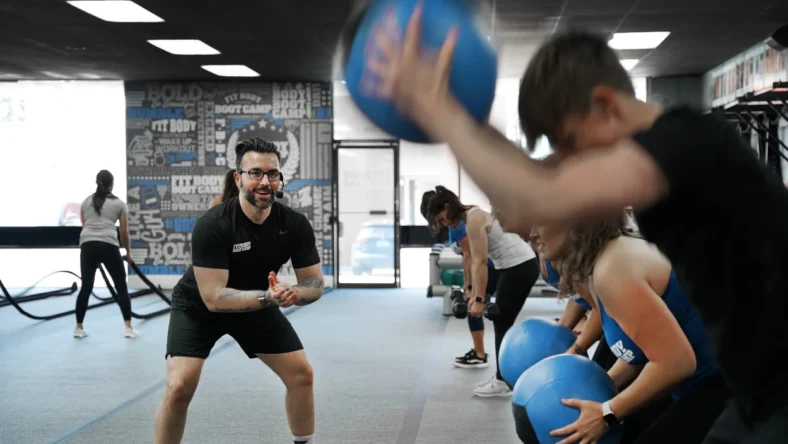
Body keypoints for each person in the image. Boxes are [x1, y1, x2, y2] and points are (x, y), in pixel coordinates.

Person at [365, 18, 788, 442]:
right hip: (750, 384)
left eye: (569, 141)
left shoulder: (683, 144)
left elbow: (539, 195)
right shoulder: (669, 166)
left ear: (605, 105)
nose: (571, 162)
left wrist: (443, 112)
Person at [153, 137, 324, 444]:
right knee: (178, 386)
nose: (265, 182)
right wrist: (266, 297)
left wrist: (294, 293)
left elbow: (314, 283)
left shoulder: (294, 225)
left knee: (302, 375)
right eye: (255, 173)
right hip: (199, 308)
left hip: (256, 305)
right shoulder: (213, 224)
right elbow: (214, 298)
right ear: (238, 178)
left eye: (272, 174)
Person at [536, 215, 729, 443]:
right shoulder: (598, 265)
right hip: (693, 383)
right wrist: (592, 389)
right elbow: (636, 356)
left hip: (725, 385)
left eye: (540, 220)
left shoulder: (613, 270)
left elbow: (677, 363)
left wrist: (606, 414)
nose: (533, 233)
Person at [423, 186, 539, 397]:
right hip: (509, 267)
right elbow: (478, 262)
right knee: (501, 320)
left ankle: (504, 381)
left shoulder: (474, 218)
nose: (443, 224)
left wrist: (478, 298)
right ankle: (502, 376)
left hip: (520, 266)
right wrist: (472, 292)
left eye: (441, 219)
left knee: (502, 321)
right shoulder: (471, 217)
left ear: (447, 207)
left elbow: (480, 261)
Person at [421, 191, 500, 369]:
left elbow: (470, 256)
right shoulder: (454, 222)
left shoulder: (457, 225)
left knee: (473, 304)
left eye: (437, 218)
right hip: (487, 265)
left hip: (488, 268)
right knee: (474, 304)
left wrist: (470, 286)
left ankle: (480, 354)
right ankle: (479, 351)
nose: (438, 223)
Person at [74, 170, 137, 339]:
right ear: (112, 185)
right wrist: (128, 253)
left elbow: (84, 225)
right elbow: (124, 232)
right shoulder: (119, 204)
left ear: (97, 183)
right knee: (121, 287)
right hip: (108, 244)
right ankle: (128, 329)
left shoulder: (85, 202)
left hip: (87, 245)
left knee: (86, 286)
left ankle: (78, 328)